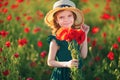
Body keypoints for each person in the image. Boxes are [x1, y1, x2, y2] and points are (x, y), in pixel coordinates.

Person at [44, 0, 90, 80]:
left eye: (69, 16)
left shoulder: (77, 35)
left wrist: (85, 35)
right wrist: (66, 64)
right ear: (57, 20)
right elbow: (50, 61)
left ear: (74, 17)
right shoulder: (55, 40)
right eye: (61, 17)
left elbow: (83, 55)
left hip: (76, 74)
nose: (66, 19)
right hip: (61, 75)